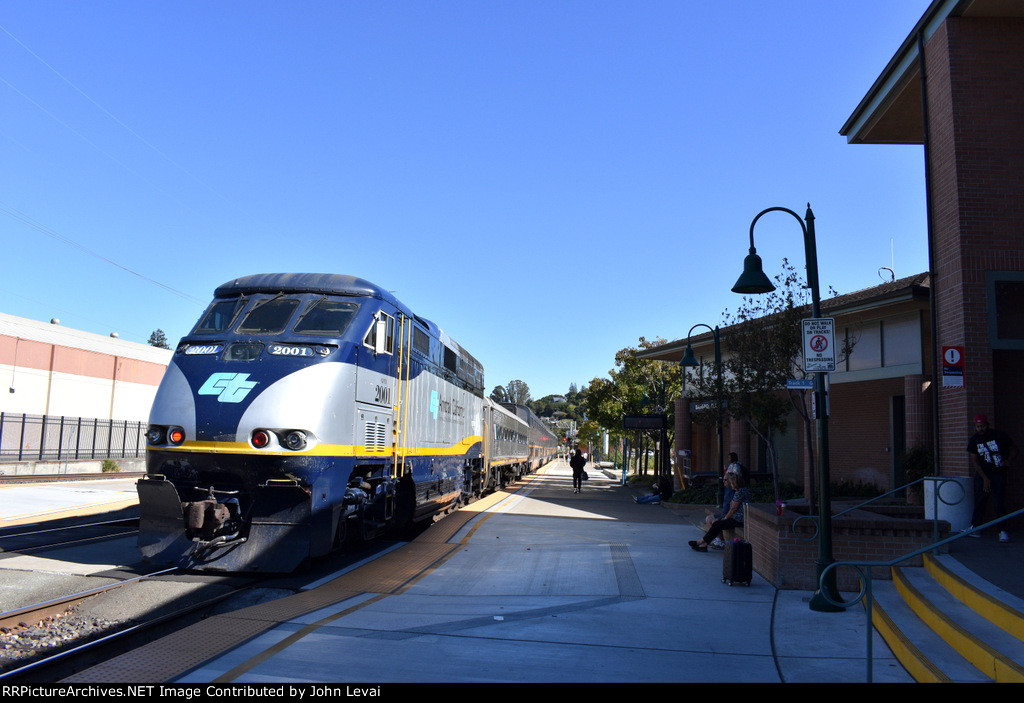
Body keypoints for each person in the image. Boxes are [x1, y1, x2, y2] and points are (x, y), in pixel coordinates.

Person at [967, 414, 1018, 542]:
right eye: (978, 426)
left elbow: (1013, 449)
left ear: (987, 424)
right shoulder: (974, 440)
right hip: (983, 474)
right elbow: (975, 461)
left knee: (999, 501)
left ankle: (1002, 530)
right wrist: (984, 478)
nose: (980, 429)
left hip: (999, 472)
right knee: (980, 500)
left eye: (982, 426)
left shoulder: (999, 435)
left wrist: (1009, 461)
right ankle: (975, 528)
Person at [689, 473, 750, 552]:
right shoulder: (743, 490)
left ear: (735, 483)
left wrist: (725, 518)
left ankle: (701, 542)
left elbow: (733, 508)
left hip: (738, 519)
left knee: (717, 524)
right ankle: (703, 544)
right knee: (717, 524)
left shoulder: (739, 492)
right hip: (737, 518)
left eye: (731, 483)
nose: (731, 485)